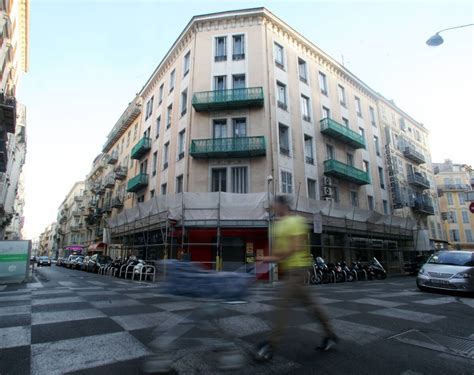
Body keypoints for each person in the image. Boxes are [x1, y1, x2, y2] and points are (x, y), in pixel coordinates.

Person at [256, 195, 338, 361]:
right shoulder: (278, 226)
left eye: (275, 206)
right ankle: (330, 334)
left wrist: (271, 259)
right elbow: (278, 250)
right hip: (290, 271)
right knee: (311, 305)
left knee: (282, 304)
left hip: (298, 270)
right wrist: (267, 258)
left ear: (283, 206)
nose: (273, 208)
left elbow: (296, 246)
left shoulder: (296, 221)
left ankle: (271, 345)